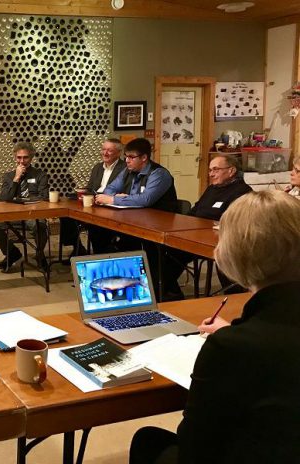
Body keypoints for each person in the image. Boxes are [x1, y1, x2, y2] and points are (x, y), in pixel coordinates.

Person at [129, 190, 300, 463]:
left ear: (231, 252)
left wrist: (232, 337)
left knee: (148, 440)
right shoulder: (248, 336)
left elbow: (195, 447)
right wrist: (235, 329)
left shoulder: (233, 347)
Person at [158, 154, 252, 300]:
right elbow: (196, 210)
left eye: (216, 169)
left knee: (224, 261)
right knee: (163, 251)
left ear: (231, 171)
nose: (211, 174)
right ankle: (170, 295)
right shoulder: (212, 189)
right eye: (210, 170)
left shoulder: (243, 192)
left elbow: (231, 220)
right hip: (195, 236)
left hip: (222, 242)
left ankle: (235, 301)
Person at [91, 137, 177, 253]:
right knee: (97, 228)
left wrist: (114, 199)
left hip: (157, 222)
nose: (126, 160)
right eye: (126, 156)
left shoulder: (158, 174)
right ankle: (109, 263)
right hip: (133, 218)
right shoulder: (128, 170)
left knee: (126, 239)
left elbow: (146, 199)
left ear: (144, 158)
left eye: (131, 157)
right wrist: (117, 197)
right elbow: (110, 188)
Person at [59, 138, 127, 259]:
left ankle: (101, 255)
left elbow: (123, 192)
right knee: (66, 215)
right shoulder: (97, 167)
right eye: (103, 149)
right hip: (93, 203)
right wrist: (82, 192)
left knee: (96, 226)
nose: (105, 153)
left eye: (109, 150)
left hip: (109, 206)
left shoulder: (124, 168)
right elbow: (91, 188)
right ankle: (77, 247)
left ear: (118, 153)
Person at [0, 142, 50, 271]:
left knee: (40, 225)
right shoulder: (9, 176)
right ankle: (12, 253)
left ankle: (39, 254)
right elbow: (4, 199)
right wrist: (16, 178)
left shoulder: (40, 175)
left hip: (32, 214)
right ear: (15, 158)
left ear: (31, 157)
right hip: (13, 215)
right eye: (19, 157)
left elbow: (44, 197)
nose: (22, 161)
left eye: (25, 157)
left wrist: (24, 201)